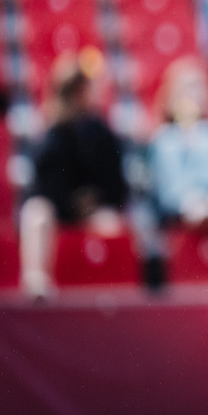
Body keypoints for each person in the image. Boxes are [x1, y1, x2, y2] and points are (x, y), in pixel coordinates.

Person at [20, 50, 129, 297]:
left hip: (92, 210)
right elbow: (41, 185)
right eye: (72, 91)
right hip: (55, 208)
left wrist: (94, 199)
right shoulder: (50, 132)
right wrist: (69, 201)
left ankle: (111, 292)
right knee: (35, 215)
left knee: (111, 224)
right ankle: (37, 283)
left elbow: (115, 184)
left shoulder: (100, 131)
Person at [147, 56, 208, 230]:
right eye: (186, 88)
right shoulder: (163, 139)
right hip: (183, 204)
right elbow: (167, 187)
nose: (192, 95)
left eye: (198, 88)